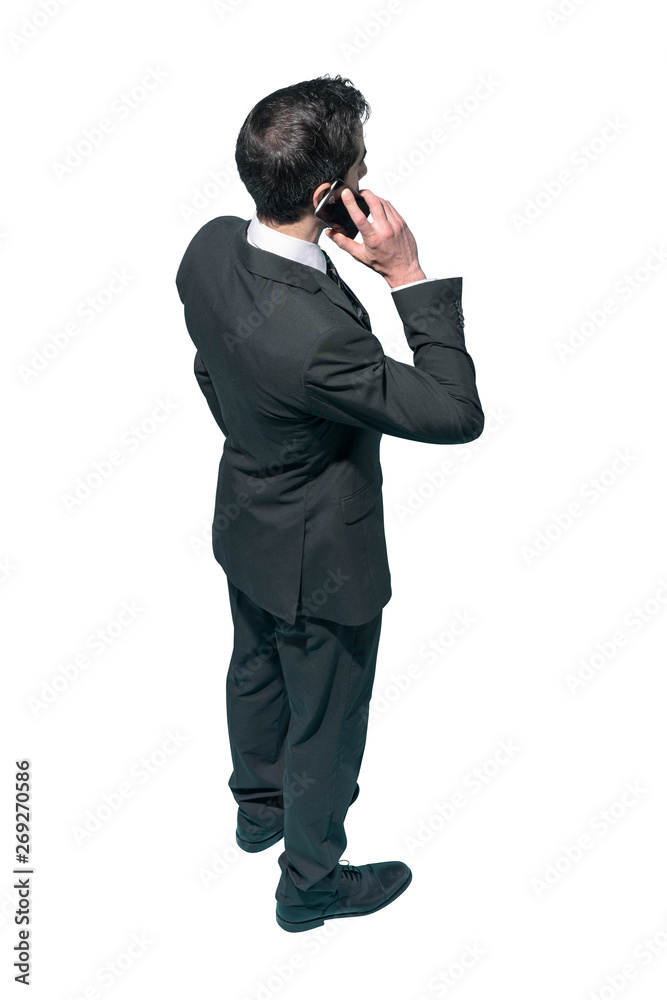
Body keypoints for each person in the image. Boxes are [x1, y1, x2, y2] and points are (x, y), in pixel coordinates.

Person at [175, 74, 484, 933]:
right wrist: (405, 273)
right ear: (326, 196)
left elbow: (209, 364)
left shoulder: (207, 248)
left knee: (253, 667)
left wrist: (261, 435)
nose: (367, 175)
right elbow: (454, 413)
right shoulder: (318, 341)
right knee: (328, 721)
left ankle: (258, 811)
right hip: (322, 562)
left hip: (245, 518)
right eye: (359, 166)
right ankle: (309, 886)